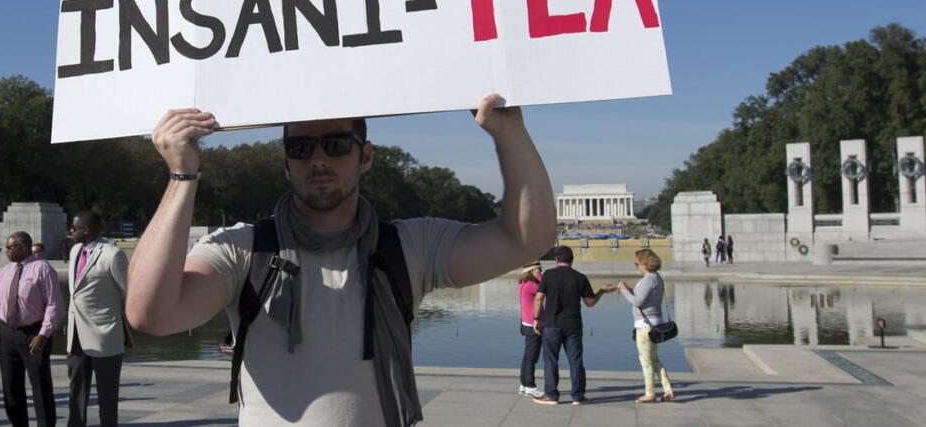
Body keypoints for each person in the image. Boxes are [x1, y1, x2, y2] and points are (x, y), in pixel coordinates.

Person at [125, 94, 556, 426]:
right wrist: (182, 176)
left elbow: (526, 239)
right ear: (286, 164)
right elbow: (152, 315)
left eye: (335, 145)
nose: (318, 160)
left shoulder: (409, 245)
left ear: (365, 156)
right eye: (300, 148)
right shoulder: (243, 249)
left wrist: (509, 133)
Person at [0, 231, 62, 427]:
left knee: (40, 385)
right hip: (7, 333)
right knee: (10, 386)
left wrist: (43, 334)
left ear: (25, 247)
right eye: (7, 247)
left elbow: (53, 304)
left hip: (33, 333)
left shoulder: (42, 269)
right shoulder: (3, 272)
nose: (8, 251)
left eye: (11, 247)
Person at [66, 211, 130, 427]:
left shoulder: (112, 255)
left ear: (86, 230)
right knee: (76, 391)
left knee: (107, 395)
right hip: (75, 334)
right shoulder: (75, 250)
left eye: (74, 228)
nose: (70, 231)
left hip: (104, 336)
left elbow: (128, 292)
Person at [530, 245, 613, 406]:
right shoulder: (580, 277)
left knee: (551, 360)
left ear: (556, 260)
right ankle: (578, 396)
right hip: (573, 324)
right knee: (576, 360)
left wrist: (535, 319)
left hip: (552, 324)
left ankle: (551, 395)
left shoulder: (548, 275)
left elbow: (539, 298)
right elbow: (590, 302)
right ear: (572, 259)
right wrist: (601, 291)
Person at [616, 249, 674, 403]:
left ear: (644, 263)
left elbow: (638, 302)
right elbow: (641, 296)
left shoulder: (649, 279)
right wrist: (629, 289)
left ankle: (650, 393)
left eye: (637, 263)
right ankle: (667, 389)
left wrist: (623, 291)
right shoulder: (656, 278)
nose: (636, 266)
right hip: (655, 322)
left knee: (646, 360)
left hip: (645, 326)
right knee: (654, 359)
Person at [516, 261, 543, 397]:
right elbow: (545, 288)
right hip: (533, 325)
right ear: (533, 270)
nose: (541, 271)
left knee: (527, 356)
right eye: (539, 269)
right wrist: (539, 275)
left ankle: (523, 384)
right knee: (532, 357)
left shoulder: (522, 284)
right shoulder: (532, 285)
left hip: (525, 323)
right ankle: (530, 386)